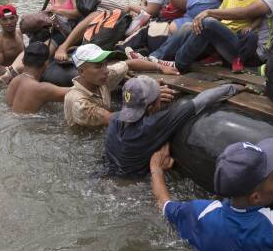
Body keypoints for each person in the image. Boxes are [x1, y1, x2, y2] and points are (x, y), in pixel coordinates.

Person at [104, 76, 243, 177]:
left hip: (108, 174)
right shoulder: (152, 125)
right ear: (152, 107)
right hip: (132, 184)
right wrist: (234, 87)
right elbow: (201, 101)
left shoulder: (114, 119)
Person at [64, 43, 179, 128]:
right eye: (98, 66)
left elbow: (129, 64)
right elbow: (114, 120)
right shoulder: (79, 103)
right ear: (81, 72)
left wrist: (160, 67)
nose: (106, 70)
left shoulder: (100, 78)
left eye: (105, 64)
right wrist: (149, 96)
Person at [5, 41, 70, 114]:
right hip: (29, 124)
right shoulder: (42, 88)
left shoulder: (14, 80)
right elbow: (75, 92)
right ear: (46, 63)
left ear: (23, 61)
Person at [0, 4, 25, 76]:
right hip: (1, 77)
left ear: (17, 18)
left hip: (18, 72)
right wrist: (21, 71)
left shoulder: (19, 33)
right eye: (4, 19)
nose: (9, 22)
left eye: (12, 18)